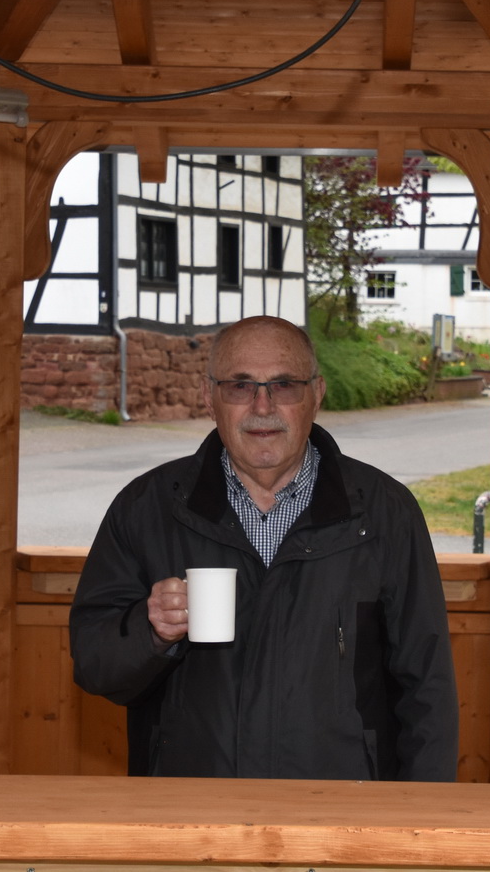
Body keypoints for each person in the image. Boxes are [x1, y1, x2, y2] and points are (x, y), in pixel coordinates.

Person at [70, 315, 458, 780]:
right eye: (240, 386)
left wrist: (421, 814)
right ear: (208, 396)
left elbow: (427, 687)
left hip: (341, 809)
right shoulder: (147, 508)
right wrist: (150, 632)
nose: (262, 405)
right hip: (191, 809)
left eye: (284, 385)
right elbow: (93, 664)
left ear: (316, 394)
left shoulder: (384, 513)